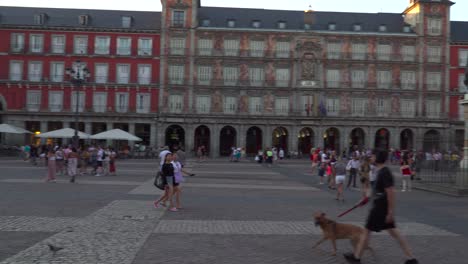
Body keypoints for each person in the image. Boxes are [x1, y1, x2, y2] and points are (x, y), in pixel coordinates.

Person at [344, 149, 419, 264]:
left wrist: (390, 212)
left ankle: (356, 257)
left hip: (381, 207)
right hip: (380, 205)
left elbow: (391, 192)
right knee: (393, 232)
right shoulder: (379, 171)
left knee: (367, 231)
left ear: (378, 157)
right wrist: (364, 200)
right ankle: (411, 258)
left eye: (373, 156)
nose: (371, 158)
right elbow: (376, 191)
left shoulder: (385, 172)